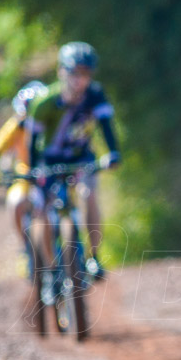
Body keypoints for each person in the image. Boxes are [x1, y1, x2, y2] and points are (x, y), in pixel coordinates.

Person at [26, 41, 121, 280]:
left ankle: (93, 257)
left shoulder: (95, 95)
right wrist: (33, 170)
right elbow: (33, 142)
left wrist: (113, 153)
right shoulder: (44, 102)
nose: (81, 80)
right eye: (75, 73)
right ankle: (49, 270)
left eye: (86, 74)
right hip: (50, 161)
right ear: (61, 72)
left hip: (82, 159)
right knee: (44, 212)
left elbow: (106, 127)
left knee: (89, 194)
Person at [0, 81, 49, 275]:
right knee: (16, 203)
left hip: (51, 174)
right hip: (25, 176)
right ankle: (26, 247)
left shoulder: (54, 124)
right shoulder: (15, 126)